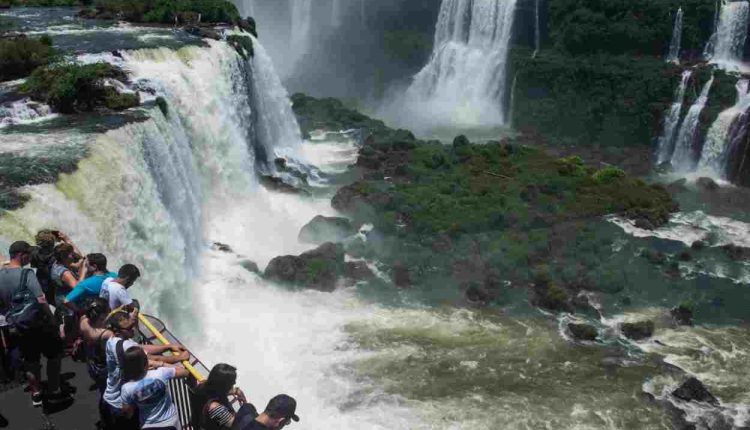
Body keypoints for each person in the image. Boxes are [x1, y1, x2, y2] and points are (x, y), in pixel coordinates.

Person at [0, 241, 70, 406]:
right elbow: (41, 299)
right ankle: (54, 390)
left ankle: (36, 394)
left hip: (19, 326)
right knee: (54, 356)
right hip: (40, 323)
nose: (30, 258)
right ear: (21, 255)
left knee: (31, 360)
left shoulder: (0, 275)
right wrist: (52, 320)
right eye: (29, 255)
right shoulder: (27, 274)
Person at [102, 309, 188, 430]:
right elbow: (151, 358)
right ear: (118, 331)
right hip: (120, 404)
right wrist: (179, 357)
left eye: (133, 324)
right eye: (129, 328)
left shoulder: (113, 341)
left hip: (109, 397)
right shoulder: (126, 347)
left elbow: (140, 347)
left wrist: (167, 347)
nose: (133, 329)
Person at [121, 346, 189, 430]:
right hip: (171, 423)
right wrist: (160, 364)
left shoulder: (126, 388)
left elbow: (128, 413)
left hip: (148, 426)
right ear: (146, 363)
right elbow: (185, 372)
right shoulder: (160, 373)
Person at [191, 363, 254, 430]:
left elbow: (216, 391)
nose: (235, 383)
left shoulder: (203, 387)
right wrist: (246, 406)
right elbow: (237, 425)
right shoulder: (216, 408)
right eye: (232, 381)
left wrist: (236, 391)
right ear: (224, 386)